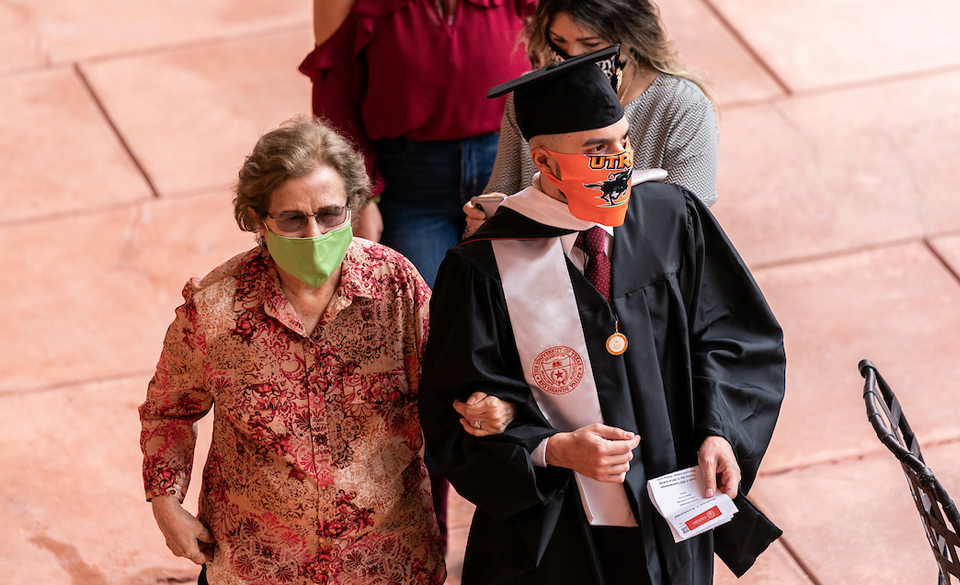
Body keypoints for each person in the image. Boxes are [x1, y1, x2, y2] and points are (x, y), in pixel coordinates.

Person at [418, 48, 785, 585]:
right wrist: (549, 449)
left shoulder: (670, 216)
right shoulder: (486, 266)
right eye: (596, 149)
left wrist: (721, 431)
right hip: (560, 534)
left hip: (672, 507)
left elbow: (733, 336)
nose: (619, 162)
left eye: (624, 141)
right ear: (543, 162)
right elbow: (457, 411)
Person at [139, 117, 510, 585]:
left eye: (330, 214)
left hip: (387, 560)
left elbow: (452, 381)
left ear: (353, 206)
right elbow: (169, 410)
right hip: (257, 565)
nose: (315, 233)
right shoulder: (214, 309)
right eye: (293, 219)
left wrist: (488, 404)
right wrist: (166, 504)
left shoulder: (396, 286)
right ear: (258, 219)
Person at [299, 0, 536, 287]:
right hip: (408, 187)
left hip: (510, 163)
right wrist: (361, 194)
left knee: (514, 309)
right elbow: (335, 92)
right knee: (427, 318)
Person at [464, 0, 718, 235]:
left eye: (592, 45)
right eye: (558, 42)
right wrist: (484, 221)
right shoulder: (532, 97)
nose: (573, 57)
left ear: (631, 39)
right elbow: (503, 191)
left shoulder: (684, 106)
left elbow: (689, 221)